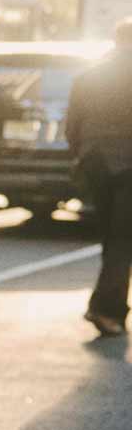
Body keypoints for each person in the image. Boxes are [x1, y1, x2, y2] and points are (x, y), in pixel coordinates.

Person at [65, 17, 132, 337]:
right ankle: (106, 309)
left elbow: (71, 127)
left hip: (94, 162)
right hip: (127, 165)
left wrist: (81, 154)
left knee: (113, 235)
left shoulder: (89, 75)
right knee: (122, 237)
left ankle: (109, 306)